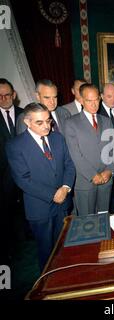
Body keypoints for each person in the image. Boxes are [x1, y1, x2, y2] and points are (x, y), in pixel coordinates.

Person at [6, 103, 75, 270]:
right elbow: (23, 179)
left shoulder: (58, 138)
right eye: (40, 122)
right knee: (46, 252)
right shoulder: (15, 145)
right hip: (39, 208)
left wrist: (65, 188)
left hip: (63, 203)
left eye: (48, 121)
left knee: (64, 247)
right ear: (27, 122)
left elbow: (69, 165)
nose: (46, 126)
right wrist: (53, 194)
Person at [64, 83, 114, 216]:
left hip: (105, 180)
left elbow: (113, 149)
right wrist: (93, 175)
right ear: (81, 100)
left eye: (96, 99)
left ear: (100, 99)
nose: (93, 104)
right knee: (87, 222)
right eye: (88, 100)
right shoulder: (71, 123)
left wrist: (110, 170)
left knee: (104, 218)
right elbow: (75, 154)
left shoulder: (107, 121)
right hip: (85, 182)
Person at [0, 78, 24, 263]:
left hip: (26, 173)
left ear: (14, 95)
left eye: (7, 95)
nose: (3, 99)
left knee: (25, 210)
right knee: (6, 213)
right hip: (3, 176)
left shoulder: (25, 115)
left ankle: (27, 239)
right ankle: (9, 248)